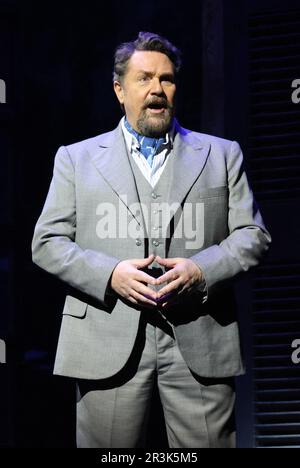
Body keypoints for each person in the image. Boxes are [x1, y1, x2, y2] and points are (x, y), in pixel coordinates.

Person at [32, 31, 271, 448]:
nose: (157, 89)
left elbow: (253, 236)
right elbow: (47, 241)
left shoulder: (221, 154)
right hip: (106, 340)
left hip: (199, 336)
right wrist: (110, 274)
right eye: (144, 79)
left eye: (167, 79)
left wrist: (201, 269)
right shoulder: (76, 158)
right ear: (119, 89)